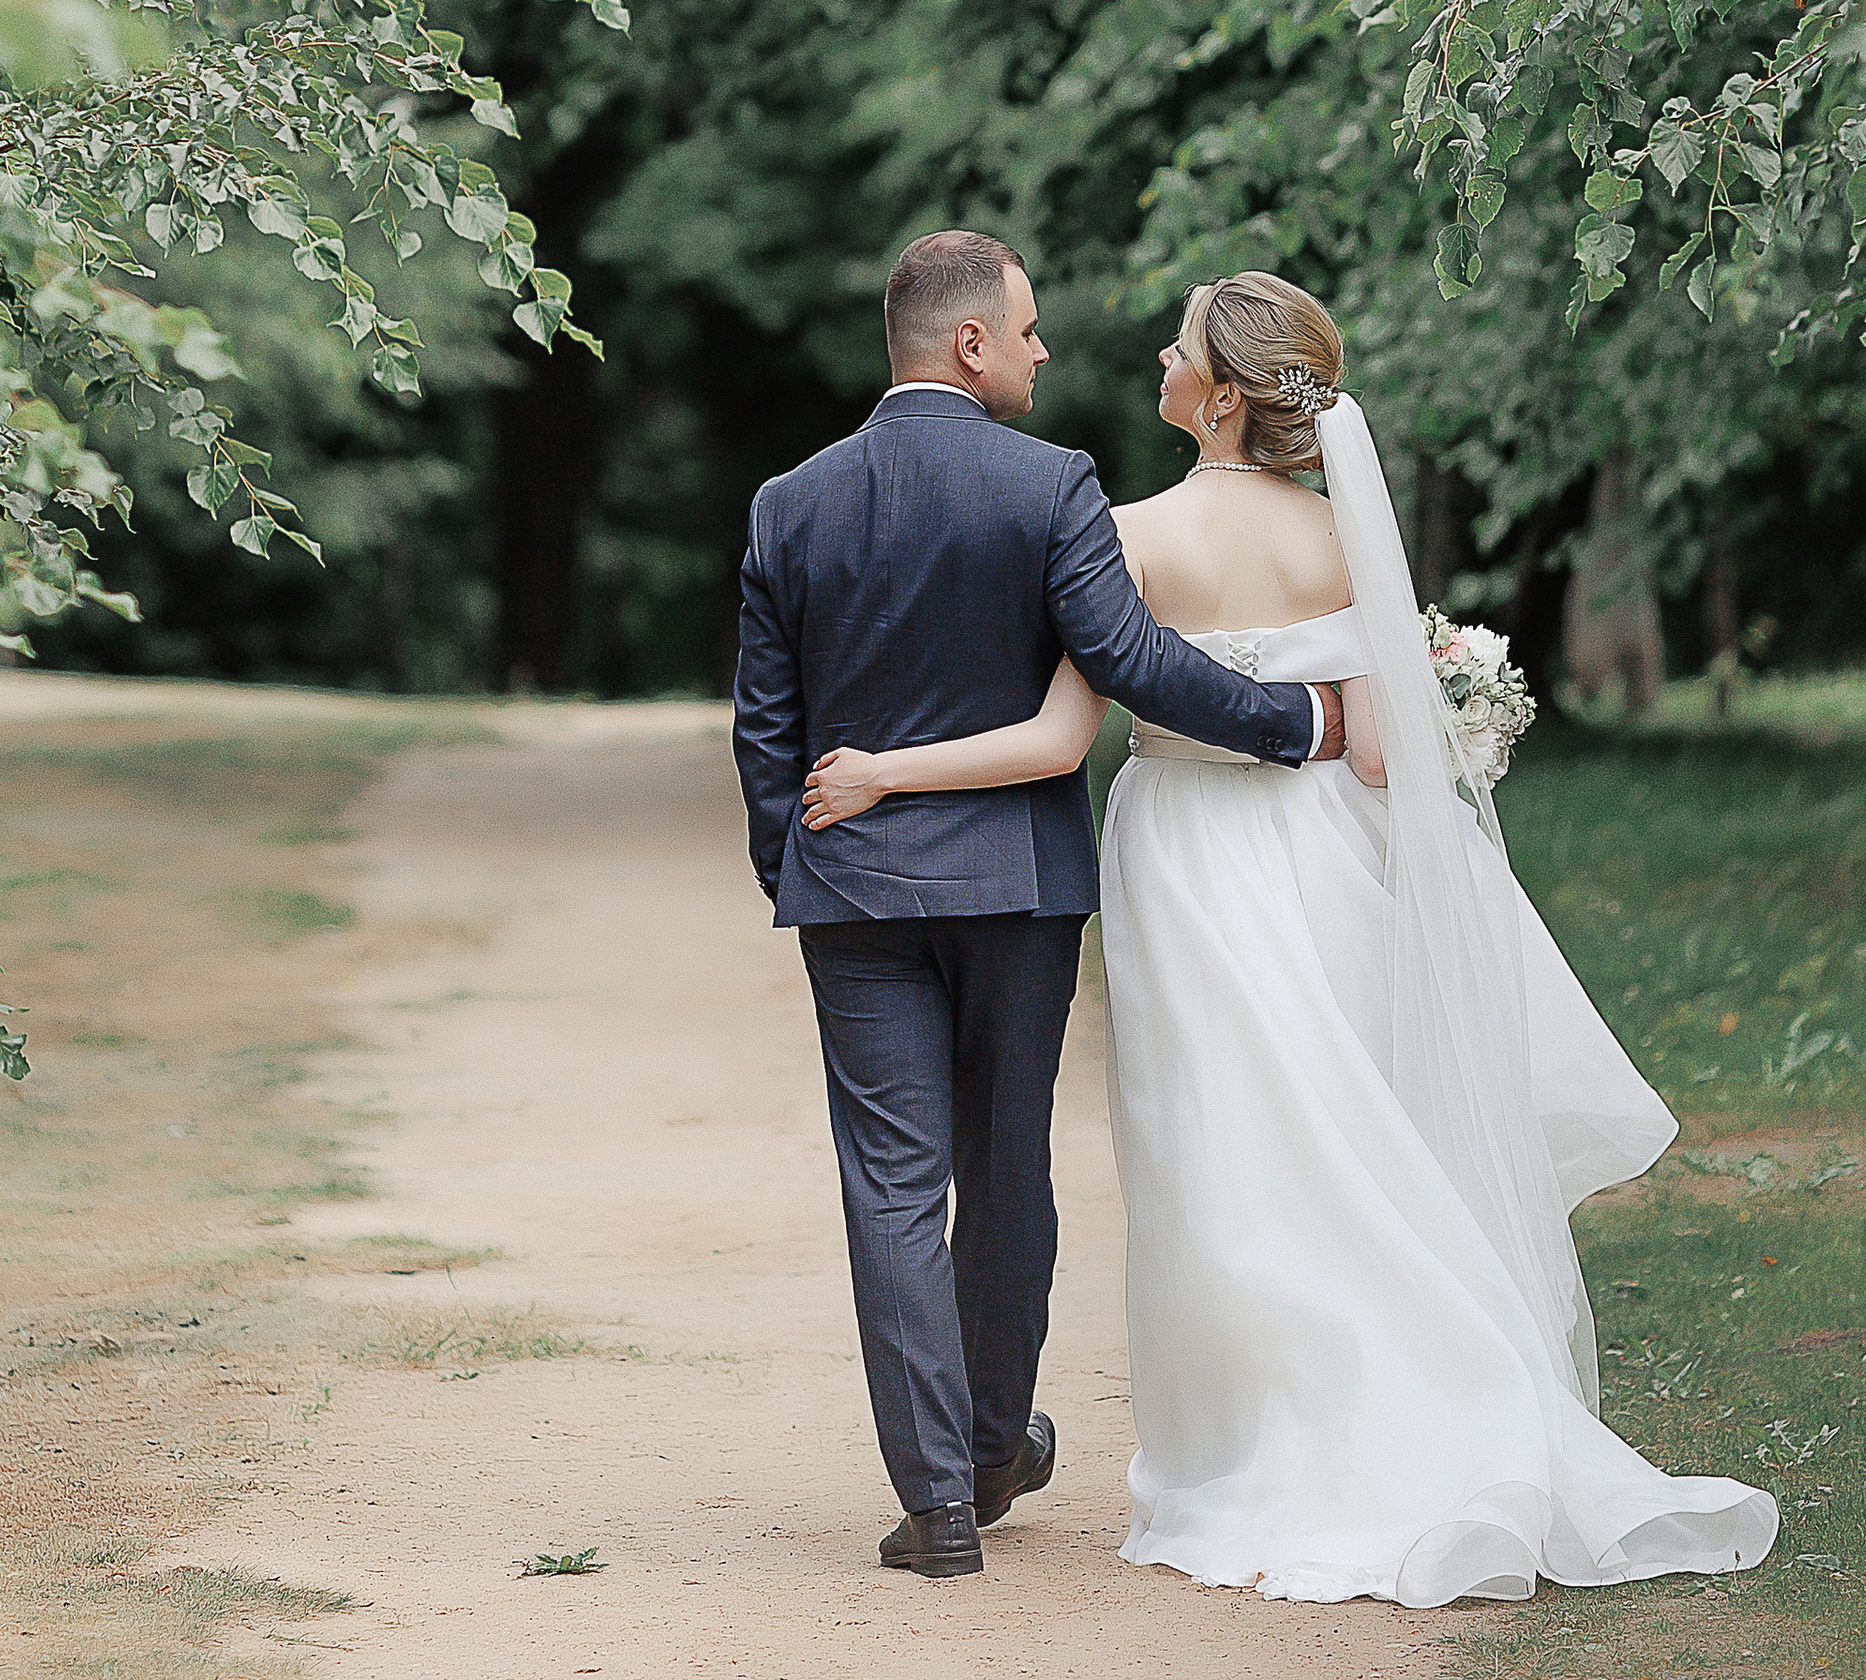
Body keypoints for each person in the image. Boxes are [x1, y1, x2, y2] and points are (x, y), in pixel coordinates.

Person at [800, 271, 1781, 1607]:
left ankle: (1251, 1442)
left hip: (1193, 857)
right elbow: (1380, 756)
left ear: (1217, 395)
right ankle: (1425, 1396)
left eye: (1180, 344)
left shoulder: (1126, 531)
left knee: (1219, 1144)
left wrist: (880, 776)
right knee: (1345, 1126)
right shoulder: (1339, 537)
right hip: (1319, 860)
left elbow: (1051, 742)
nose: (1157, 350)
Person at [732, 230, 1349, 1580]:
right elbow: (1129, 662)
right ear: (968, 344)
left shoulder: (792, 502)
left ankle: (940, 1500)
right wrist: (1297, 726)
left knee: (893, 1184)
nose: (1041, 351)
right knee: (1007, 1165)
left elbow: (764, 730)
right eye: (1024, 330)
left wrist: (800, 870)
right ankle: (998, 1443)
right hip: (1016, 886)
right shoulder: (1052, 485)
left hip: (856, 892)